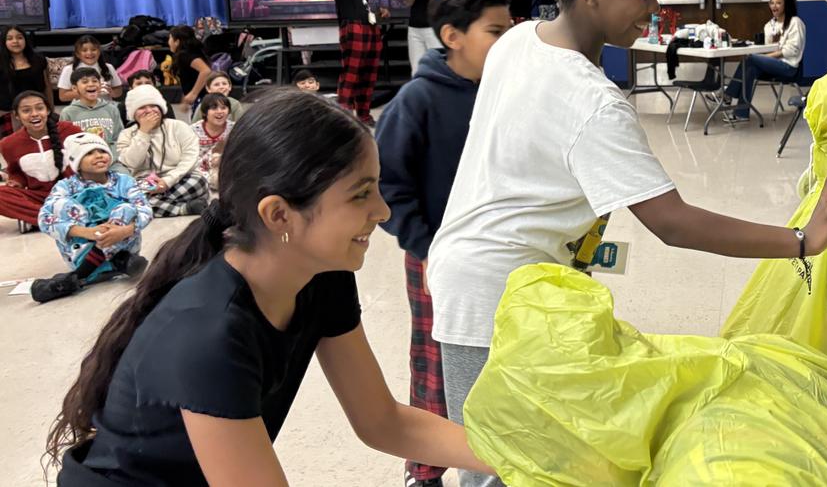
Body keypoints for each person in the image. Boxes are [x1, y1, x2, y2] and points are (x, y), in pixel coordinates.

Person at [423, 0, 827, 485]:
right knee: (499, 463)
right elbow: (673, 222)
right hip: (492, 297)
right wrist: (800, 240)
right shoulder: (593, 101)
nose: (653, 9)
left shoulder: (516, 42)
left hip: (500, 278)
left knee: (527, 453)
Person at [46, 89, 492, 485]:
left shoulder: (323, 275)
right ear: (279, 214)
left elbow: (383, 421)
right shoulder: (210, 331)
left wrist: (526, 458)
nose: (383, 212)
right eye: (361, 194)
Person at [375, 0, 510, 487]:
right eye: (495, 31)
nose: (507, 41)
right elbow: (387, 188)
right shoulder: (416, 100)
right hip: (439, 258)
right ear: (452, 36)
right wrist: (426, 248)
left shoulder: (507, 94)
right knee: (438, 365)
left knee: (499, 360)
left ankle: (502, 457)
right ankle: (425, 469)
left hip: (501, 255)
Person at [30, 132, 153, 303]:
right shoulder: (65, 186)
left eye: (101, 151)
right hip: (81, 250)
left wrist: (125, 230)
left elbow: (145, 209)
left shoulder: (124, 181)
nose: (98, 156)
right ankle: (119, 262)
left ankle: (78, 276)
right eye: (89, 153)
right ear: (76, 162)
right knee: (62, 205)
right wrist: (88, 232)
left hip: (124, 243)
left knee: (126, 208)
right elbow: (44, 220)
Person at [115, 85, 209, 218]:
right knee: (127, 196)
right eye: (142, 107)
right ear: (133, 113)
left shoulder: (179, 127)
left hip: (178, 178)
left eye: (153, 106)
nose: (149, 111)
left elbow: (190, 158)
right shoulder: (126, 134)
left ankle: (151, 206)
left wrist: (167, 181)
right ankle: (183, 209)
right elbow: (132, 163)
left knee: (199, 181)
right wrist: (143, 133)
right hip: (145, 184)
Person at [330, 0, 391, 126]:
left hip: (369, 30)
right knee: (351, 73)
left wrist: (380, 16)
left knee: (368, 73)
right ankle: (345, 118)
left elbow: (365, 11)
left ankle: (363, 114)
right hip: (352, 29)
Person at [722, 0, 806, 122]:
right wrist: (764, 56)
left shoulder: (796, 23)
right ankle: (741, 113)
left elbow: (791, 51)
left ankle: (727, 95)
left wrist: (766, 57)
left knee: (749, 58)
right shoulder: (769, 25)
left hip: (789, 67)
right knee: (751, 69)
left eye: (778, 3)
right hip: (772, 66)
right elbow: (766, 48)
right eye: (772, 3)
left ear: (786, 5)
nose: (774, 6)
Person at [0, 92, 82, 228]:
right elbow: (17, 174)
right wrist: (16, 183)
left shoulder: (69, 130)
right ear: (16, 115)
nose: (34, 114)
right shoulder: (8, 144)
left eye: (39, 108)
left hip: (74, 192)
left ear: (48, 110)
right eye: (26, 110)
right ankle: (54, 218)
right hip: (40, 197)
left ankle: (38, 219)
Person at [59, 67, 128, 175]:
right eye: (85, 82)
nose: (91, 84)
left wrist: (111, 158)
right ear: (74, 88)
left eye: (95, 81)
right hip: (82, 165)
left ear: (100, 85)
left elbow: (119, 139)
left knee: (126, 179)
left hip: (111, 162)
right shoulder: (68, 112)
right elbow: (65, 144)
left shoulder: (111, 109)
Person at [1, 25, 52, 135]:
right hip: (8, 114)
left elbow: (47, 86)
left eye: (19, 37)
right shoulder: (1, 63)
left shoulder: (39, 60)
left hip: (37, 111)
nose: (15, 41)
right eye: (10, 38)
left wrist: (50, 109)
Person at [57, 36, 124, 102]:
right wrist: (88, 92)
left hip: (106, 108)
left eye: (93, 50)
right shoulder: (69, 69)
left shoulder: (108, 67)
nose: (89, 53)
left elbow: (118, 90)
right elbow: (63, 96)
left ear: (99, 52)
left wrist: (111, 92)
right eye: (84, 50)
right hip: (81, 109)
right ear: (77, 54)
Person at [192, 93, 233, 191]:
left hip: (225, 167)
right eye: (214, 108)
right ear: (205, 113)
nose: (219, 112)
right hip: (199, 169)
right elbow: (189, 157)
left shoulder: (234, 129)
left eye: (223, 108)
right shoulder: (193, 130)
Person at [169, 26, 212, 111]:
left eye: (170, 38)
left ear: (177, 41)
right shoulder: (191, 53)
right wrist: (185, 99)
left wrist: (193, 94)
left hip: (202, 98)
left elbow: (206, 71)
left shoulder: (185, 55)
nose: (168, 42)